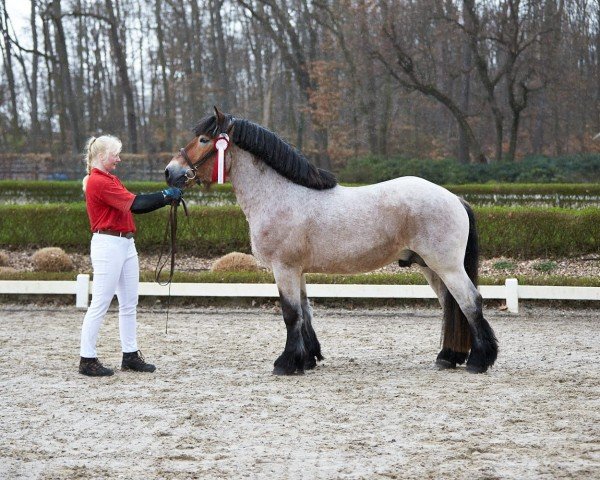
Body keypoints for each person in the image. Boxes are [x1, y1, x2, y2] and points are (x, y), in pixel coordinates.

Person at [79, 135, 183, 377]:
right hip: (108, 244)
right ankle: (87, 358)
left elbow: (136, 202)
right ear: (102, 156)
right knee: (100, 303)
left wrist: (165, 197)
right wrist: (167, 196)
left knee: (129, 303)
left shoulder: (109, 179)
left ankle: (130, 354)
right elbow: (137, 204)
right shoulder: (98, 182)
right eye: (115, 154)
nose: (119, 158)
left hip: (125, 243)